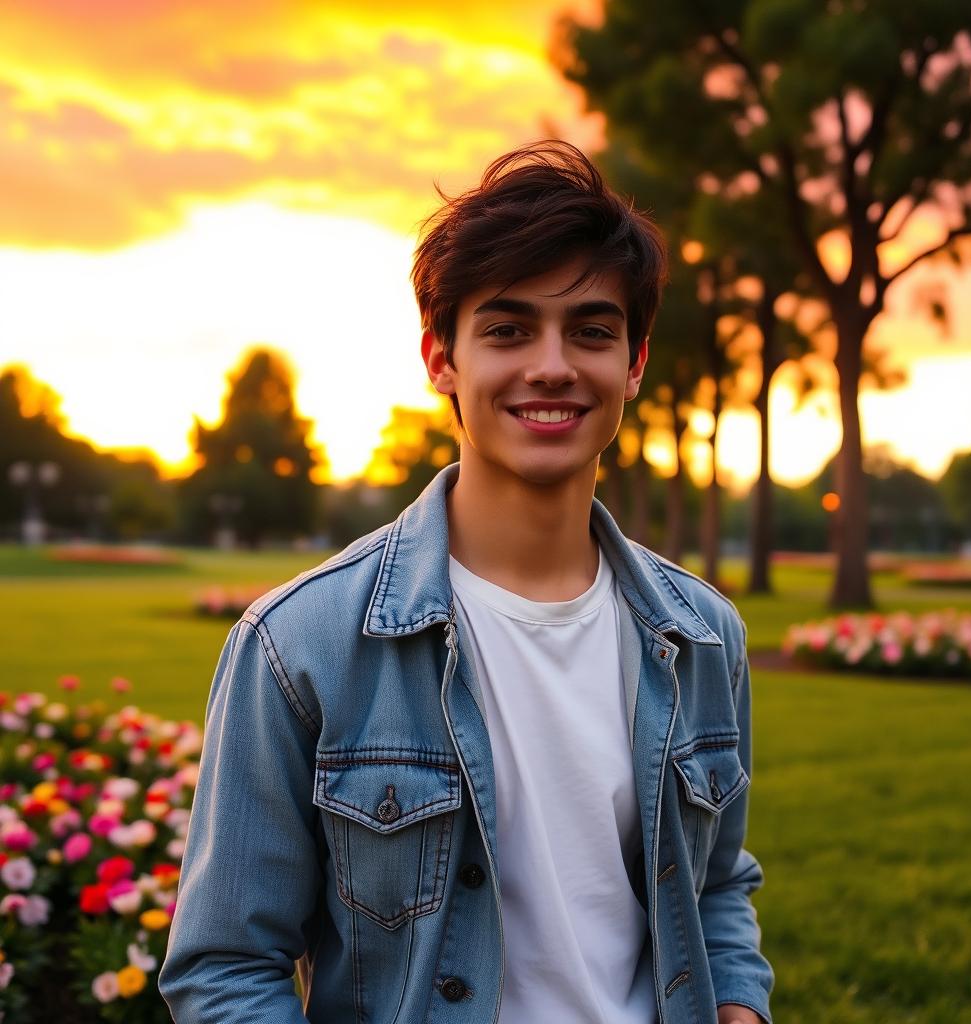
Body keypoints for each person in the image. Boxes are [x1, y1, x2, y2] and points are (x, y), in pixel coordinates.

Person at [159, 140, 773, 1024]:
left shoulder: (705, 635)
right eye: (508, 328)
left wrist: (740, 1009)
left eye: (592, 330)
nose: (553, 365)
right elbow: (226, 965)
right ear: (441, 358)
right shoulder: (299, 645)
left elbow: (717, 887)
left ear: (634, 363)